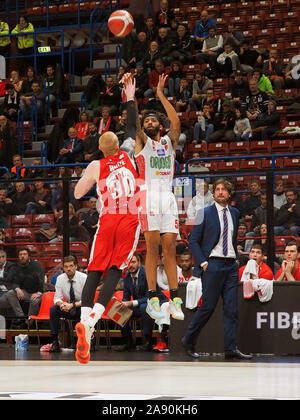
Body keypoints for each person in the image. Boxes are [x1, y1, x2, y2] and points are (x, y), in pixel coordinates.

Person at [73, 130, 140, 364]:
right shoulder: (128, 156)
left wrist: (89, 176)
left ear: (100, 149)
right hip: (130, 218)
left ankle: (85, 326)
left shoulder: (95, 165)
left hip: (108, 219)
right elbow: (132, 128)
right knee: (115, 270)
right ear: (118, 146)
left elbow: (78, 193)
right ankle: (91, 322)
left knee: (94, 270)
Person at [124, 72, 184, 321]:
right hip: (148, 195)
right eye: (146, 121)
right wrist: (131, 98)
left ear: (160, 125)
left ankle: (175, 298)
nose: (148, 123)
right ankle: (152, 297)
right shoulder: (141, 143)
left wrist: (160, 94)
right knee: (153, 249)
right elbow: (133, 125)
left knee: (170, 248)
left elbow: (177, 123)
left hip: (167, 197)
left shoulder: (169, 142)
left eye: (152, 121)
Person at [182, 178, 252, 360]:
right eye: (217, 189)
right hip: (212, 265)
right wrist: (203, 263)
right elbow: (194, 241)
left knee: (232, 309)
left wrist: (235, 258)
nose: (220, 192)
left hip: (230, 266)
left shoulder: (235, 213)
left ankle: (230, 348)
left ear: (230, 193)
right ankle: (189, 339)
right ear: (214, 194)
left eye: (224, 190)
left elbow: (233, 238)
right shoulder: (203, 213)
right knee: (208, 307)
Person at [114, 252, 168, 352]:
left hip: (156, 302)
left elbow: (150, 297)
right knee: (120, 309)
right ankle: (128, 341)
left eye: (133, 262)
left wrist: (131, 303)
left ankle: (147, 342)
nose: (131, 265)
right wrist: (123, 303)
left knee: (144, 307)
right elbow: (126, 296)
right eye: (129, 263)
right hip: (140, 303)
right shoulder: (126, 275)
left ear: (139, 263)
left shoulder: (147, 273)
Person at [49, 255, 87, 353]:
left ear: (76, 266)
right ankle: (55, 342)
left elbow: (87, 300)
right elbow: (57, 297)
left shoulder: (84, 278)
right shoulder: (60, 278)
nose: (68, 269)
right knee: (53, 309)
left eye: (71, 266)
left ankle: (85, 341)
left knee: (87, 310)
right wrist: (61, 304)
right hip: (68, 307)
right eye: (66, 267)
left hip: (81, 307)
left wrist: (73, 305)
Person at [0, 247, 44, 328]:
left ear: (29, 256)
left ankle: (28, 324)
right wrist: (17, 289)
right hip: (26, 292)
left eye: (24, 254)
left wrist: (39, 293)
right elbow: (15, 282)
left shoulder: (35, 265)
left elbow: (42, 280)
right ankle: (21, 317)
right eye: (20, 255)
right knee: (10, 293)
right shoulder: (18, 267)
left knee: (34, 301)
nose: (22, 256)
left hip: (38, 292)